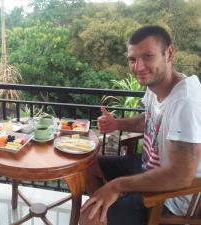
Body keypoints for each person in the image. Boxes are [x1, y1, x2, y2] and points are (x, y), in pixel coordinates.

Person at [79, 25, 201, 225]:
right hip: (146, 167)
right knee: (88, 165)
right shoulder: (156, 86)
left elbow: (181, 176)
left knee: (88, 218)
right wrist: (116, 124)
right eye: (132, 59)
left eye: (147, 56)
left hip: (170, 197)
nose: (138, 67)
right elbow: (149, 120)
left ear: (169, 53)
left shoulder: (187, 102)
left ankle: (100, 214)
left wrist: (116, 186)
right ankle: (103, 209)